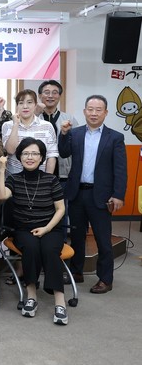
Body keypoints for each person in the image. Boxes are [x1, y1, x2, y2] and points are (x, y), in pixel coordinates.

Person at [0, 138, 69, 325]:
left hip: (50, 228)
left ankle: (60, 302)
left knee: (50, 249)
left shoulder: (51, 180)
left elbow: (60, 209)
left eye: (35, 153)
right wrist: (2, 169)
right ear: (20, 157)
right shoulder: (14, 179)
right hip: (24, 229)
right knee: (31, 247)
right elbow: (1, 195)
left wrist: (47, 228)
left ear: (42, 157)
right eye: (26, 153)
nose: (30, 157)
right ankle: (31, 296)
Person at [59, 95, 127, 294]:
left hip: (102, 196)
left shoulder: (115, 137)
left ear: (106, 113)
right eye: (90, 109)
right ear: (84, 111)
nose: (94, 113)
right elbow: (63, 153)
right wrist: (63, 134)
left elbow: (120, 169)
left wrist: (118, 195)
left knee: (103, 239)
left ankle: (105, 279)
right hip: (77, 193)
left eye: (98, 110)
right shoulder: (75, 133)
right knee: (77, 236)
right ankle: (76, 272)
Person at [2, 89, 58, 176]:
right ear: (17, 106)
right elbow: (10, 150)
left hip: (40, 178)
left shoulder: (47, 126)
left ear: (35, 105)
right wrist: (15, 124)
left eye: (29, 102)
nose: (25, 106)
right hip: (13, 178)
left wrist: (47, 179)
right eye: (21, 103)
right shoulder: (7, 125)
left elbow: (51, 156)